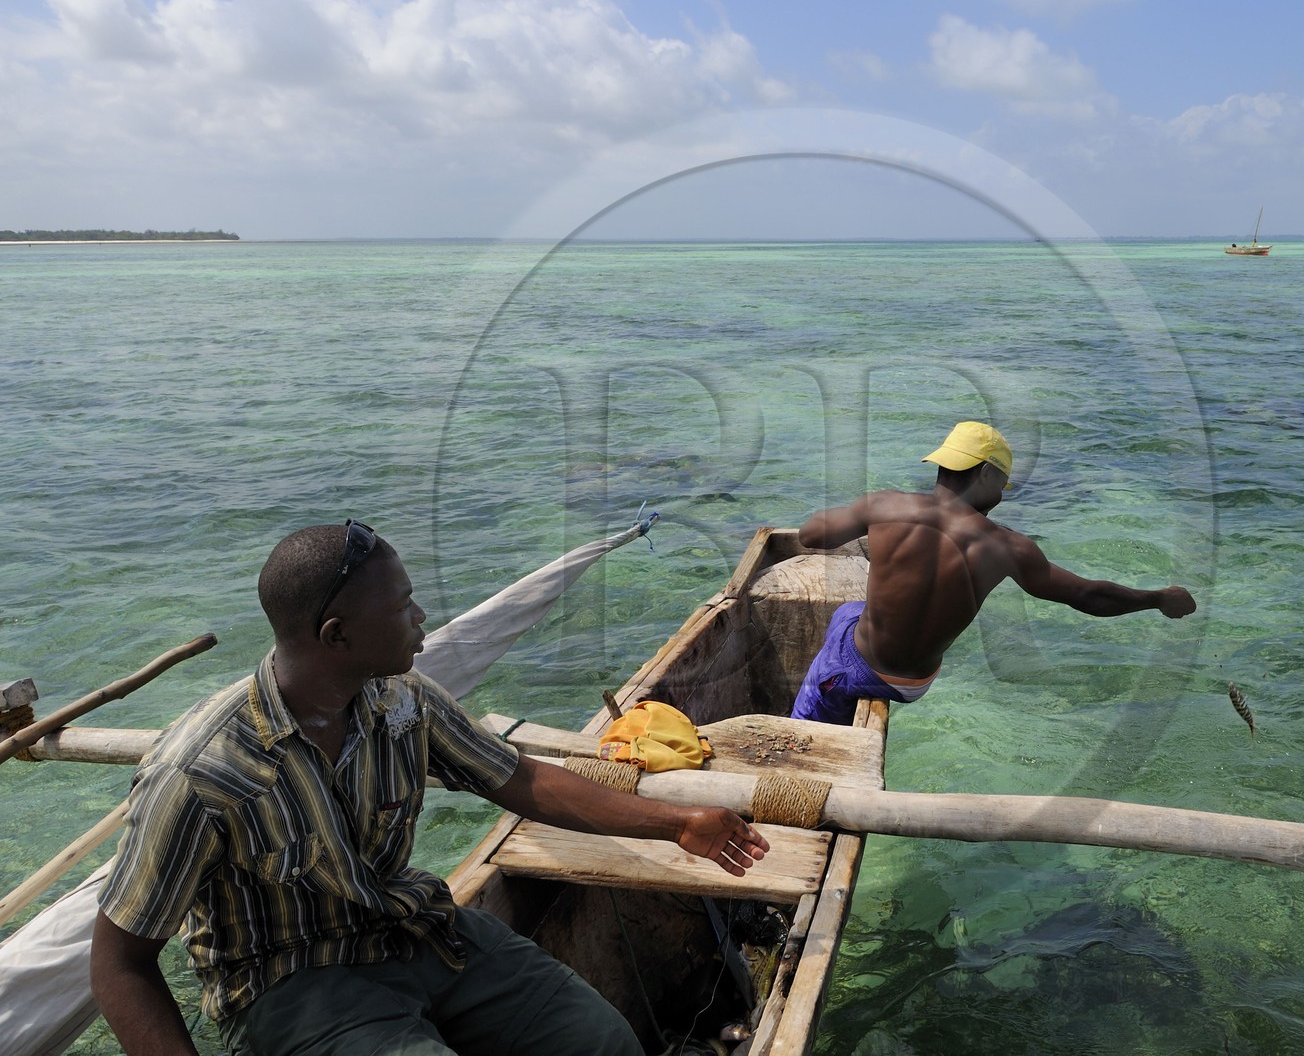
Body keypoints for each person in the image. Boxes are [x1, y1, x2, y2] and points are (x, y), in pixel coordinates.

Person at [90, 520, 769, 1056]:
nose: (421, 616)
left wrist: (675, 825)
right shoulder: (204, 770)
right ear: (338, 635)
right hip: (291, 982)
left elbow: (523, 779)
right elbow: (121, 965)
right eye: (404, 604)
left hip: (416, 931)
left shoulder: (401, 701)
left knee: (602, 1041)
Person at [791, 422, 1198, 724]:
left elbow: (811, 535)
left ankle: (804, 717)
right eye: (1003, 484)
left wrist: (861, 515)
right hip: (915, 682)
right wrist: (1157, 598)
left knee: (840, 636)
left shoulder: (885, 505)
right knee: (848, 612)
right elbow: (1090, 597)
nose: (1002, 495)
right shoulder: (1008, 547)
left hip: (862, 667)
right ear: (985, 473)